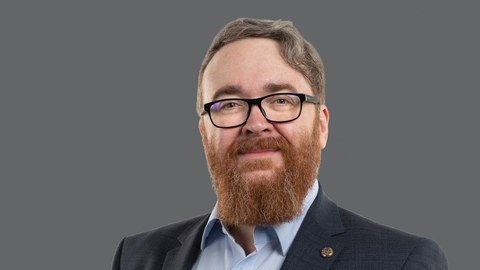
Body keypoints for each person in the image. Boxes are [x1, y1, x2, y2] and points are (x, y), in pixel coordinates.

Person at [112, 18, 448, 270]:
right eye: (229, 104)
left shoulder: (400, 261)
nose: (256, 124)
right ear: (204, 133)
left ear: (321, 126)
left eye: (282, 101)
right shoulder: (138, 257)